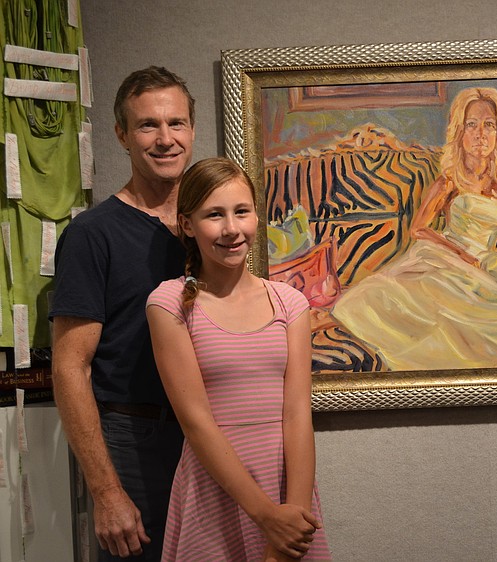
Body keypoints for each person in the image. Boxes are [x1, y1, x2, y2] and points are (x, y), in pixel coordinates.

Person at [146, 157, 331, 561]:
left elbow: (298, 413)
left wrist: (292, 521)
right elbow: (196, 423)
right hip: (215, 490)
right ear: (188, 225)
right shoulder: (168, 303)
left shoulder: (290, 302)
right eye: (215, 215)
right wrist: (265, 515)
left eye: (241, 212)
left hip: (285, 488)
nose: (231, 229)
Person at [331, 87, 497, 370]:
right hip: (445, 256)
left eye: (489, 125)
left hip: (486, 260)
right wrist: (459, 253)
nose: (481, 134)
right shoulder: (449, 180)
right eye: (472, 125)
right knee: (409, 297)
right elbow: (418, 228)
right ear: (460, 132)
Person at [50, 66, 195, 560]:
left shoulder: (213, 227)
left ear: (192, 130)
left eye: (176, 123)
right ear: (121, 135)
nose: (165, 139)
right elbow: (70, 366)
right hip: (137, 439)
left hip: (211, 433)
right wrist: (107, 491)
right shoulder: (94, 234)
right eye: (147, 125)